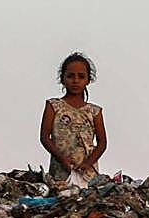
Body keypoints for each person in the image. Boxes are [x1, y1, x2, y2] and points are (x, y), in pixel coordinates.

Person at [40, 52, 107, 182]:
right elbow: (44, 137)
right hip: (60, 172)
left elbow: (102, 143)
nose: (75, 80)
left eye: (81, 76)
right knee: (63, 198)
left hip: (87, 174)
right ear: (62, 78)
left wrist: (88, 164)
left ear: (88, 80)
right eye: (71, 76)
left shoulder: (94, 111)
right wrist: (62, 159)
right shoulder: (54, 106)